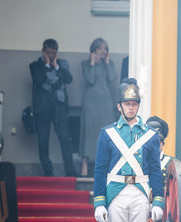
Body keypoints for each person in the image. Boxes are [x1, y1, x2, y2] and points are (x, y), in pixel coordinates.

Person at [92, 78, 165, 222]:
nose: (131, 107)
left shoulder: (151, 136)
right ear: (119, 106)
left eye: (134, 103)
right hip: (115, 194)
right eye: (127, 103)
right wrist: (100, 201)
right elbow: (100, 168)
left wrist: (158, 201)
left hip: (140, 194)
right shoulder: (107, 134)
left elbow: (155, 170)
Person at [29, 39, 77, 177]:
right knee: (43, 139)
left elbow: (68, 79)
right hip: (42, 107)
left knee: (65, 138)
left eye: (53, 53)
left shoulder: (62, 64)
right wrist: (46, 64)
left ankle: (70, 170)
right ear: (43, 51)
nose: (51, 55)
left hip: (60, 106)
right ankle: (47, 170)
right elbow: (39, 80)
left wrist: (56, 66)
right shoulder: (35, 66)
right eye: (48, 53)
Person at [79, 38, 117, 176]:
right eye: (100, 48)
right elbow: (90, 79)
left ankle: (107, 166)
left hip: (106, 103)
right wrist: (92, 63)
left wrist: (106, 63)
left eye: (105, 48)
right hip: (91, 103)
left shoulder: (109, 64)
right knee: (88, 134)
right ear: (93, 49)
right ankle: (84, 165)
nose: (103, 51)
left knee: (107, 134)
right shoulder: (85, 64)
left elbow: (112, 78)